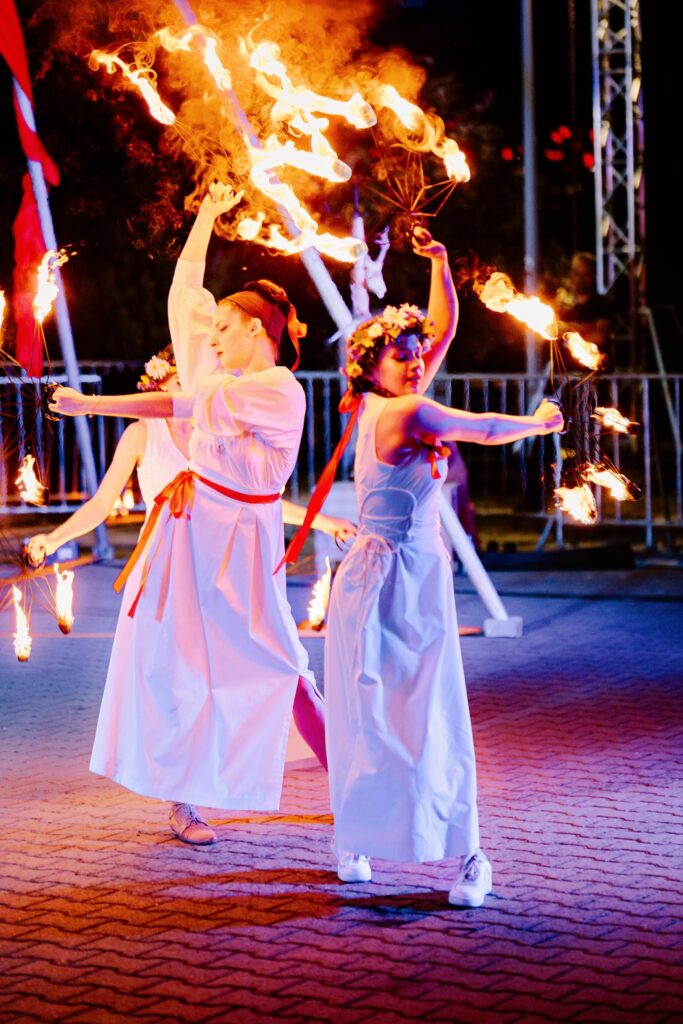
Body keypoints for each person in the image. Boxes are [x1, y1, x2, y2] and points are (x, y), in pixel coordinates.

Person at [47, 184, 344, 846]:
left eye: (223, 329)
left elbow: (179, 403)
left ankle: (354, 791)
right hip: (188, 539)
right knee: (178, 671)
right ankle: (183, 804)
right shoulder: (222, 381)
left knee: (286, 668)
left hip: (242, 545)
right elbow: (185, 297)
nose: (211, 338)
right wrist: (207, 214)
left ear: (256, 329)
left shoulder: (276, 390)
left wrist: (92, 405)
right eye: (210, 332)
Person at [285, 229, 564, 906]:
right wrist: (537, 424)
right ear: (372, 366)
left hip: (406, 578)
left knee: (427, 712)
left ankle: (468, 854)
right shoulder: (402, 410)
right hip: (381, 579)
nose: (415, 363)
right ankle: (355, 835)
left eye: (416, 355)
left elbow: (443, 329)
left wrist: (438, 264)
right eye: (401, 356)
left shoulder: (384, 399)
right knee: (369, 713)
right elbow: (484, 428)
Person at [555, 252, 613, 348]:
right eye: (577, 274)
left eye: (586, 274)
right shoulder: (562, 304)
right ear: (571, 274)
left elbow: (600, 336)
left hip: (590, 356)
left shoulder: (602, 304)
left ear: (593, 275)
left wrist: (568, 329)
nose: (581, 279)